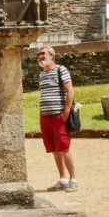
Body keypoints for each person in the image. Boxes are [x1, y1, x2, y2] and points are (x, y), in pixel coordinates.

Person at [37, 45, 78, 191]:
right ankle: (63, 179)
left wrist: (66, 113)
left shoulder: (61, 70)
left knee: (64, 148)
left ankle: (73, 180)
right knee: (54, 149)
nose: (40, 56)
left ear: (52, 55)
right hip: (46, 118)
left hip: (59, 116)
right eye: (39, 55)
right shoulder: (42, 75)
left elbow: (70, 91)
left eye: (43, 53)